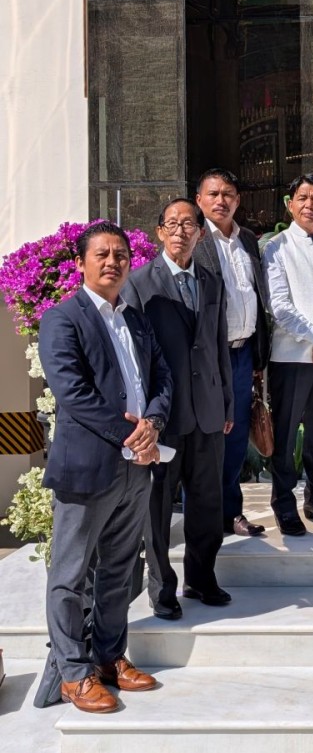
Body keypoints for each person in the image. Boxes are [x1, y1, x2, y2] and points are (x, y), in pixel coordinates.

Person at [38, 221, 171, 712]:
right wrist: (129, 433)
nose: (113, 261)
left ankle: (110, 657)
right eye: (102, 254)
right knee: (70, 575)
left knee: (118, 570)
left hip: (136, 468)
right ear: (81, 263)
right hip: (88, 469)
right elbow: (71, 392)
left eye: (120, 254)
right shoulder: (62, 318)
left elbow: (162, 376)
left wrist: (153, 421)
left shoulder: (134, 319)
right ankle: (73, 672)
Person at [124, 199, 234, 619]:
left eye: (189, 224)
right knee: (157, 506)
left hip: (207, 411)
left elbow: (219, 344)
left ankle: (202, 579)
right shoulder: (138, 283)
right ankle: (161, 589)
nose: (180, 231)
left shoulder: (211, 281)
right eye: (172, 224)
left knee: (207, 501)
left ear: (201, 234)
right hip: (163, 415)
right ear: (158, 232)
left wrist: (226, 400)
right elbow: (137, 357)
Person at [262, 174, 313, 536]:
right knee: (284, 434)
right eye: (303, 197)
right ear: (290, 204)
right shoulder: (275, 247)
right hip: (291, 357)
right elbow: (279, 306)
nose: (310, 204)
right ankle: (284, 504)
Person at [194, 169, 271, 537]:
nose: (221, 200)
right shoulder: (193, 241)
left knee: (236, 436)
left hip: (242, 356)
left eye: (228, 194)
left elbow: (257, 297)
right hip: (209, 358)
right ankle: (205, 515)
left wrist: (258, 359)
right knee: (208, 437)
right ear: (199, 200)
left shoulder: (249, 242)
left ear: (238, 201)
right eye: (213, 194)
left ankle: (231, 512)